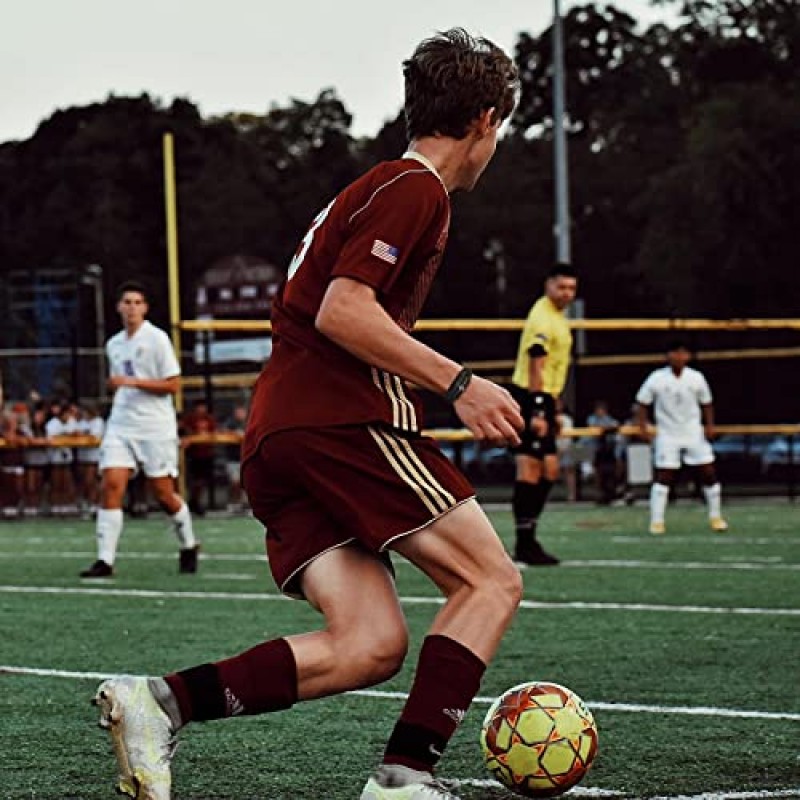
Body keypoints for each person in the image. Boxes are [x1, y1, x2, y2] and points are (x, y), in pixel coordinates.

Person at [90, 29, 522, 800]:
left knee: (369, 643)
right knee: (490, 581)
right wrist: (461, 384)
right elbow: (343, 310)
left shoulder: (384, 188)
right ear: (486, 120)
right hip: (340, 421)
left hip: (282, 433)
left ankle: (158, 704)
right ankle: (404, 776)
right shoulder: (414, 188)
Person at [79, 281, 199, 578]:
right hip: (122, 423)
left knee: (163, 494)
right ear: (119, 307)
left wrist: (131, 383)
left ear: (145, 307)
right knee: (112, 485)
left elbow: (172, 384)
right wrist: (121, 387)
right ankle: (105, 560)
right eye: (126, 302)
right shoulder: (114, 344)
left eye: (137, 302)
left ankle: (188, 543)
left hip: (154, 426)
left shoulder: (157, 339)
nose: (131, 307)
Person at [508, 263, 578, 566]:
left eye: (572, 288)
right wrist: (537, 409)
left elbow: (552, 369)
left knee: (549, 471)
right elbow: (536, 363)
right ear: (549, 285)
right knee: (530, 471)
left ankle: (529, 538)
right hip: (529, 397)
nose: (567, 293)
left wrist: (555, 407)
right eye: (562, 287)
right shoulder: (541, 316)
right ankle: (525, 543)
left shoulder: (559, 317)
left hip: (545, 398)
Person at [635, 340, 728, 535]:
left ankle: (716, 516)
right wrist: (642, 427)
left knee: (708, 472)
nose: (678, 357)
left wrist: (709, 426)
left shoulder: (696, 378)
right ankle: (657, 520)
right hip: (668, 433)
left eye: (682, 353)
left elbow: (707, 403)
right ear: (668, 356)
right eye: (674, 353)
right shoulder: (657, 378)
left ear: (688, 356)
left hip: (693, 431)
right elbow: (642, 403)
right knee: (664, 475)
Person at [181, 398, 218, 514]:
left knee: (202, 481)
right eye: (199, 406)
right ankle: (192, 502)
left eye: (203, 406)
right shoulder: (190, 419)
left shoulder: (210, 419)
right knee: (194, 480)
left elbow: (215, 433)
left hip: (206, 454)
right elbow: (183, 431)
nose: (201, 409)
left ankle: (195, 502)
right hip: (194, 455)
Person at [585, 400, 621, 504]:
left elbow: (615, 425)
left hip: (608, 451)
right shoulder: (591, 418)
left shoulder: (609, 419)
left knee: (611, 468)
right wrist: (606, 428)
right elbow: (594, 428)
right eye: (598, 410)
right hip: (592, 449)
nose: (599, 412)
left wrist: (608, 428)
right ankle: (598, 493)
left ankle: (612, 492)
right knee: (597, 471)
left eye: (601, 410)